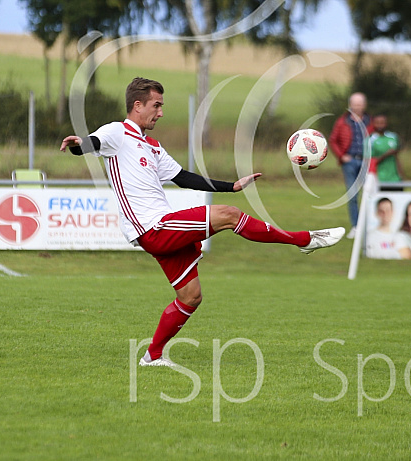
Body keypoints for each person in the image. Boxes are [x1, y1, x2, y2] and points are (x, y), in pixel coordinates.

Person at [60, 77, 345, 367]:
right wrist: (77, 145)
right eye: (156, 105)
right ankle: (304, 240)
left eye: (161, 106)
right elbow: (90, 143)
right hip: (152, 227)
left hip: (161, 226)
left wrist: (230, 185)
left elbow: (183, 177)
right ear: (137, 105)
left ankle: (152, 357)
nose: (160, 112)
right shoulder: (117, 133)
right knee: (229, 215)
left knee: (190, 296)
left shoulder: (152, 147)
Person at [329, 92, 374, 239]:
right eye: (355, 104)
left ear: (364, 105)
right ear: (350, 105)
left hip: (367, 162)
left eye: (360, 104)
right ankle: (356, 226)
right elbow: (333, 140)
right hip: (350, 162)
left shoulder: (371, 122)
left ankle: (371, 226)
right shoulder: (343, 122)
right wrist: (342, 156)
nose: (357, 107)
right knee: (353, 195)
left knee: (370, 194)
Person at [369, 114, 402, 191]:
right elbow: (371, 162)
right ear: (373, 124)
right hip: (380, 177)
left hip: (394, 177)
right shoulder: (371, 140)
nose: (380, 125)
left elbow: (396, 156)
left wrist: (401, 174)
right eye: (378, 123)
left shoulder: (393, 137)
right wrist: (386, 154)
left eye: (382, 122)